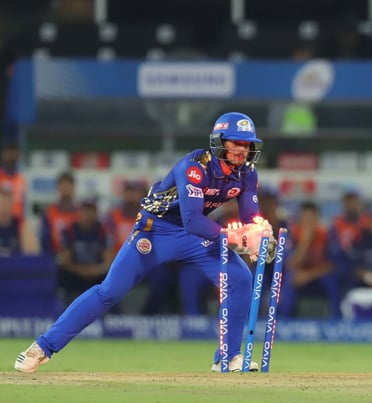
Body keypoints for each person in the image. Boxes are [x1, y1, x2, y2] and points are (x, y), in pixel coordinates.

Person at [14, 112, 275, 373]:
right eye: (236, 143)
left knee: (239, 277)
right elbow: (193, 220)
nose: (243, 150)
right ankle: (42, 347)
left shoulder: (247, 174)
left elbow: (250, 217)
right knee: (110, 291)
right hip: (155, 231)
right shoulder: (194, 167)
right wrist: (233, 237)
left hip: (195, 238)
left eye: (247, 144)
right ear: (219, 142)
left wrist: (261, 235)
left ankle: (227, 358)